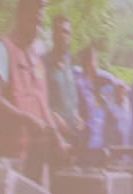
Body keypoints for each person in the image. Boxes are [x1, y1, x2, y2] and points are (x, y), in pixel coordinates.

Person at [0, 0, 69, 181]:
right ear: (20, 17)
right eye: (33, 22)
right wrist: (26, 118)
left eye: (39, 23)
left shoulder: (36, 58)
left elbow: (43, 103)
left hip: (37, 151)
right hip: (12, 152)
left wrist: (58, 138)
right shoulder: (3, 49)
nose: (37, 28)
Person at [43, 14, 84, 148]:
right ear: (53, 35)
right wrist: (53, 117)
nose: (62, 36)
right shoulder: (43, 63)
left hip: (72, 135)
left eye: (66, 32)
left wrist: (78, 116)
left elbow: (72, 96)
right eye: (59, 31)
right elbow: (38, 99)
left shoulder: (69, 62)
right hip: (52, 136)